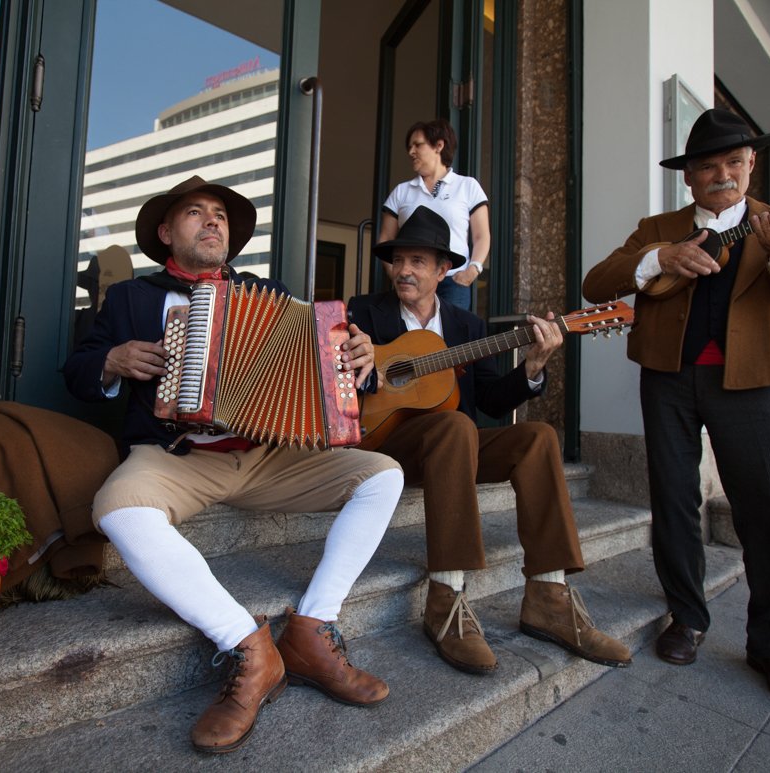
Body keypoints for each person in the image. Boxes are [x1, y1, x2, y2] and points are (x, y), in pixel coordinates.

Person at [64, 175, 405, 753]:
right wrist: (112, 361)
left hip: (269, 455)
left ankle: (312, 629)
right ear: (166, 233)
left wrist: (358, 360)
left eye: (219, 214)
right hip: (177, 455)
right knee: (118, 510)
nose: (212, 221)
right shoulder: (131, 299)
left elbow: (325, 372)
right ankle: (248, 647)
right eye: (195, 212)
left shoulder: (269, 294)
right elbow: (77, 372)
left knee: (383, 475)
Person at [582, 108, 770, 712]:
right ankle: (687, 617)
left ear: (751, 165)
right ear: (688, 177)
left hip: (751, 382)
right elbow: (597, 283)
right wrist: (660, 259)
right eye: (708, 166)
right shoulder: (659, 227)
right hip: (669, 378)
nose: (722, 174)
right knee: (673, 498)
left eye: (733, 162)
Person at [349, 206, 631, 675]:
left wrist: (533, 366)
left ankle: (548, 596)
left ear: (443, 270)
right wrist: (366, 374)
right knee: (457, 425)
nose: (403, 270)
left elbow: (495, 402)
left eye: (417, 261)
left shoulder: (467, 327)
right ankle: (446, 598)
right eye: (398, 260)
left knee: (537, 437)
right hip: (385, 446)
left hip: (452, 451)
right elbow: (334, 383)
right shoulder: (362, 312)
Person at [379, 118, 489, 311]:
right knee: (409, 330)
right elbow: (385, 238)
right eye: (409, 147)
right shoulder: (401, 191)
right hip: (411, 281)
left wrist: (473, 270)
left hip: (453, 281)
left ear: (439, 145)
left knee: (452, 331)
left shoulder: (467, 186)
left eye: (418, 145)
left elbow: (482, 236)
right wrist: (395, 274)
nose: (411, 152)